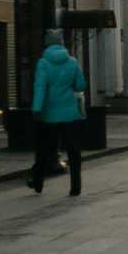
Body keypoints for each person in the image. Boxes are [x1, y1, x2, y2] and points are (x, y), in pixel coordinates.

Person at [29, 29, 86, 196]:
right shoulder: (73, 62)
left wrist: (36, 109)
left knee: (43, 149)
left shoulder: (43, 63)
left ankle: (38, 182)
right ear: (61, 42)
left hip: (49, 114)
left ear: (47, 43)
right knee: (74, 150)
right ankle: (76, 186)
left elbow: (40, 87)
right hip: (71, 114)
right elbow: (80, 85)